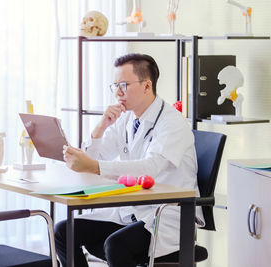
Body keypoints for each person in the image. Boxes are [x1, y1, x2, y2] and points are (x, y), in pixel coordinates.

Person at [54, 53, 203, 267]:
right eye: (115, 85)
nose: (118, 92)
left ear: (146, 86)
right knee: (63, 231)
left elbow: (150, 168)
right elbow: (95, 158)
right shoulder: (126, 118)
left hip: (165, 214)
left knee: (116, 246)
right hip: (133, 210)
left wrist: (94, 166)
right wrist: (101, 126)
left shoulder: (172, 123)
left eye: (124, 84)